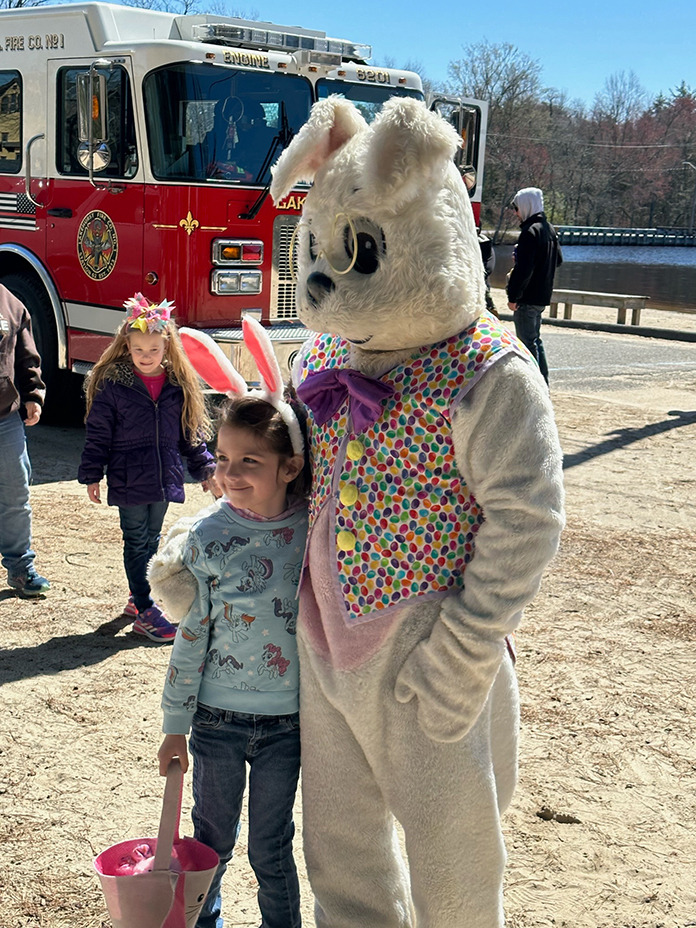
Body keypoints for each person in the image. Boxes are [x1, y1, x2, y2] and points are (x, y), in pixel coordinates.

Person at [156, 381, 310, 928]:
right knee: (211, 845)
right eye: (222, 458)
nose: (230, 473)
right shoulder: (208, 536)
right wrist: (175, 727)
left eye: (250, 460)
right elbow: (192, 637)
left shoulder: (314, 530)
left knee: (271, 848)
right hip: (215, 723)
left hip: (288, 726)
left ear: (290, 468)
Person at [77, 294, 214, 642]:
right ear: (127, 346)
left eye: (153, 349)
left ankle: (138, 593)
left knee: (152, 540)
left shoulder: (176, 386)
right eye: (139, 349)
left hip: (164, 476)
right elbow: (98, 434)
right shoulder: (113, 385)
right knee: (137, 541)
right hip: (128, 476)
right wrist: (92, 473)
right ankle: (145, 609)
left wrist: (205, 468)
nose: (146, 356)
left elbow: (189, 434)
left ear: (166, 346)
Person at [0, 284, 50, 596]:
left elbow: (26, 357)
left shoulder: (11, 304)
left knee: (16, 493)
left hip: (5, 416)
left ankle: (20, 567)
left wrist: (33, 395)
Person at [506, 186, 563, 385]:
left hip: (527, 297)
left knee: (526, 344)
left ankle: (535, 385)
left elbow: (524, 270)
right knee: (535, 340)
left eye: (517, 208)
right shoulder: (549, 229)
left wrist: (513, 296)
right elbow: (558, 260)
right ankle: (543, 382)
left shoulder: (530, 232)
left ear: (526, 206)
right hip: (543, 295)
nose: (516, 213)